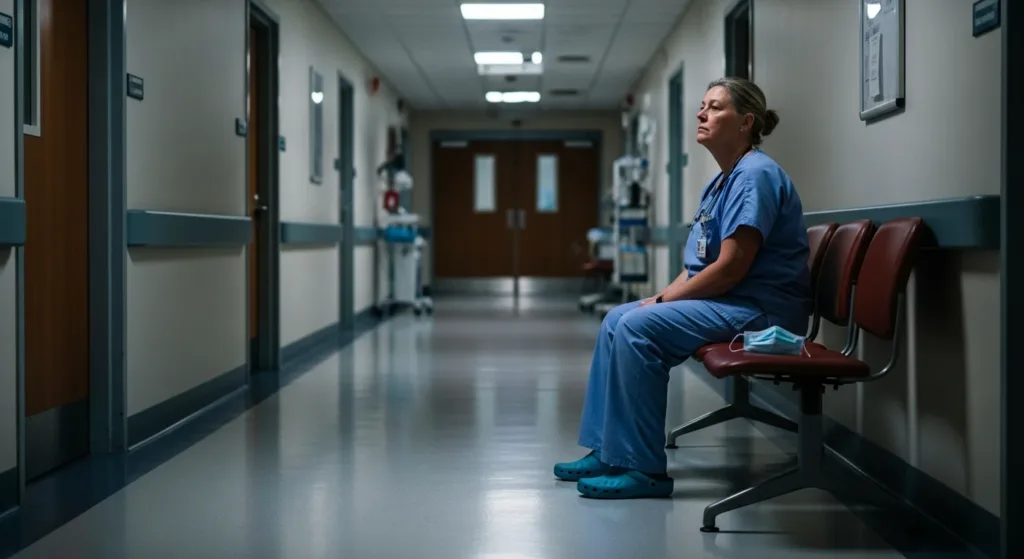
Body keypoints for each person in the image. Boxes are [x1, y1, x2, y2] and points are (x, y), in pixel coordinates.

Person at [553, 77, 812, 499]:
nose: (701, 113)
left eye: (714, 107)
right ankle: (609, 450)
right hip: (732, 302)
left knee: (638, 328)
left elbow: (730, 269)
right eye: (702, 105)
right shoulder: (722, 182)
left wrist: (660, 304)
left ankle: (644, 470)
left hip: (762, 312)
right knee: (618, 317)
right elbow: (697, 264)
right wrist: (656, 298)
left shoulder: (756, 176)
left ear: (746, 122)